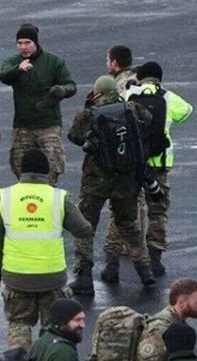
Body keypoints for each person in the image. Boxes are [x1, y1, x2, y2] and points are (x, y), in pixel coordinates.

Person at [0, 149, 91, 349]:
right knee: (53, 328)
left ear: (21, 170)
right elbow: (84, 230)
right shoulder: (59, 198)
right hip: (52, 278)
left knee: (19, 324)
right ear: (46, 171)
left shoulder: (6, 197)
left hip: (16, 278)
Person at [103, 62, 193, 279]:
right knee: (158, 211)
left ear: (140, 77)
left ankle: (112, 262)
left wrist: (133, 87)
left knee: (123, 211)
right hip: (158, 165)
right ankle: (155, 259)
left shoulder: (129, 95)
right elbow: (186, 111)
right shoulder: (168, 97)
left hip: (132, 165)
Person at [67, 75, 155, 296]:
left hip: (96, 180)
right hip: (127, 178)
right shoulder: (132, 108)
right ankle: (145, 271)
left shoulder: (89, 114)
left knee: (86, 227)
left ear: (97, 92)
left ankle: (84, 277)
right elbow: (149, 119)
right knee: (128, 224)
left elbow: (74, 136)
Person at [0, 23, 76, 186]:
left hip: (48, 125)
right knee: (21, 171)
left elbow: (71, 85)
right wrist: (19, 70)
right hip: (23, 126)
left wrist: (61, 90)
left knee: (51, 170)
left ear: (35, 43)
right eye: (20, 43)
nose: (23, 47)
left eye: (27, 43)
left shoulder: (53, 62)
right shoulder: (13, 62)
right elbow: (4, 77)